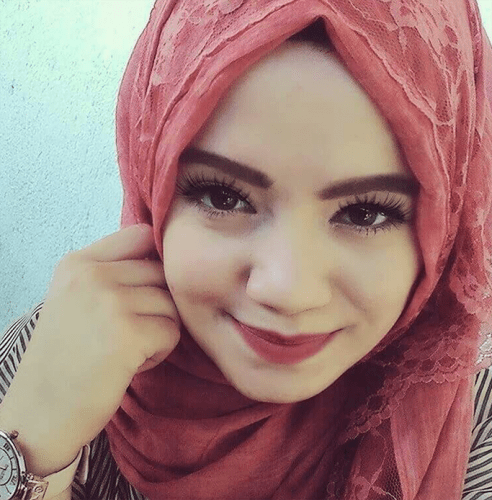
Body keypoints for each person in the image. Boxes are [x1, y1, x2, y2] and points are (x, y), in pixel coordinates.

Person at [0, 0, 491, 499]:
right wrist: (31, 444)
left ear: (444, 228)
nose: (288, 291)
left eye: (365, 213)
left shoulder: (478, 412)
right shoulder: (51, 353)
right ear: (152, 188)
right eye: (223, 197)